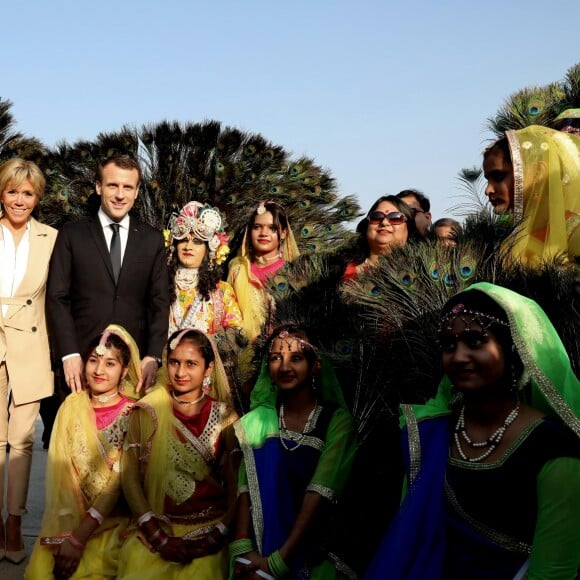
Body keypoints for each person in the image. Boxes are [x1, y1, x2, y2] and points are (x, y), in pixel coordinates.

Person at [365, 283, 580, 579]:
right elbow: (411, 537)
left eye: (476, 341)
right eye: (449, 345)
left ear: (512, 349)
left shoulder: (556, 450)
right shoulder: (430, 437)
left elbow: (554, 572)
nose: (459, 356)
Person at [231, 324, 357, 579]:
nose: (285, 367)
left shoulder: (336, 421)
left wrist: (279, 561)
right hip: (257, 550)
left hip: (311, 551)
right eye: (276, 358)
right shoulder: (258, 420)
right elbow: (246, 488)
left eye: (296, 358)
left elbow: (319, 493)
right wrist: (243, 549)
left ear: (316, 365)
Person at [118, 328, 240, 579]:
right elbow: (129, 476)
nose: (180, 372)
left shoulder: (225, 416)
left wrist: (217, 535)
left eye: (191, 364)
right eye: (174, 362)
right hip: (156, 528)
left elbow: (240, 486)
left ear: (208, 369)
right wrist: (157, 536)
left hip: (207, 531)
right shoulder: (147, 410)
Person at [47, 153, 170, 395]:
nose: (120, 195)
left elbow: (159, 301)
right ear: (98, 187)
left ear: (136, 192)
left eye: (128, 187)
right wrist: (69, 353)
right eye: (113, 185)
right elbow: (57, 297)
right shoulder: (72, 234)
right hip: (80, 364)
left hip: (133, 368)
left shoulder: (152, 239)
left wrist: (153, 356)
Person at [25, 324, 141, 579]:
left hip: (119, 524)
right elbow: (61, 477)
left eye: (110, 364)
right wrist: (65, 536)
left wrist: (78, 539)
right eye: (93, 361)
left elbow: (121, 483)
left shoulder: (135, 413)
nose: (99, 371)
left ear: (124, 372)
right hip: (72, 521)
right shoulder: (72, 406)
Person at [0, 158, 57, 564]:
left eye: (27, 193)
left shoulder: (51, 238)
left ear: (37, 197)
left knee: (21, 442)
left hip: (30, 348)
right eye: (12, 191)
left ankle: (14, 521)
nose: (20, 200)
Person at [482, 125, 580, 266]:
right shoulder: (507, 241)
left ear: (538, 172)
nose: (488, 190)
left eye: (498, 176)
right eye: (487, 179)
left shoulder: (575, 233)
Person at [167, 201, 243, 341]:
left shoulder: (222, 291)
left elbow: (236, 334)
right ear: (174, 246)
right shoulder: (159, 285)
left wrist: (203, 347)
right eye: (183, 240)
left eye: (197, 241)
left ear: (210, 249)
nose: (188, 246)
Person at [227, 201, 299, 344]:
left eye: (272, 228)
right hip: (241, 349)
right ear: (249, 231)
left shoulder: (292, 273)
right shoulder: (238, 269)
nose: (263, 233)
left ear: (284, 233)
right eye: (257, 227)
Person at [342, 195, 418, 280]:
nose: (384, 222)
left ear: (409, 228)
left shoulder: (421, 271)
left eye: (395, 218)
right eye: (377, 217)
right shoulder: (338, 269)